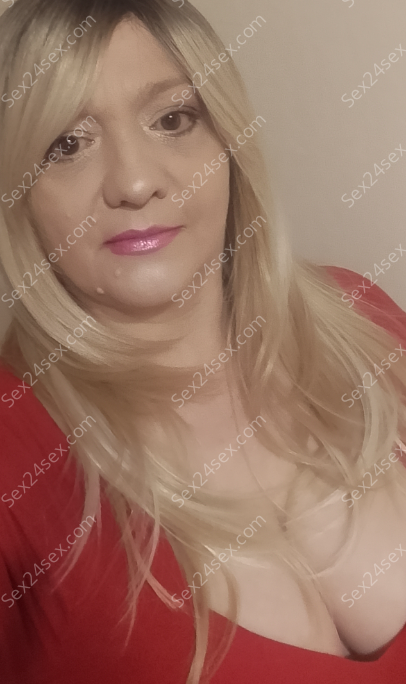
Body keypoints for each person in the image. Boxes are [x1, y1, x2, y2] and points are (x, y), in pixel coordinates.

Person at [0, 1, 406, 682]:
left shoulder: (358, 314)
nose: (135, 182)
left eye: (172, 119)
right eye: (65, 145)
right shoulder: (15, 451)